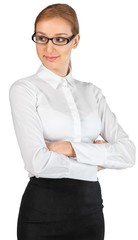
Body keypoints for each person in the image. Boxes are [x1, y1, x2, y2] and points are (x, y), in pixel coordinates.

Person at [9, 3, 135, 240]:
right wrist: (96, 162)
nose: (49, 48)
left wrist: (70, 149)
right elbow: (38, 163)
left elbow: (128, 154)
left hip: (90, 212)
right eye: (42, 38)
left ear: (75, 41)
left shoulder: (92, 93)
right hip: (42, 212)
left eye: (59, 39)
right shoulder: (24, 89)